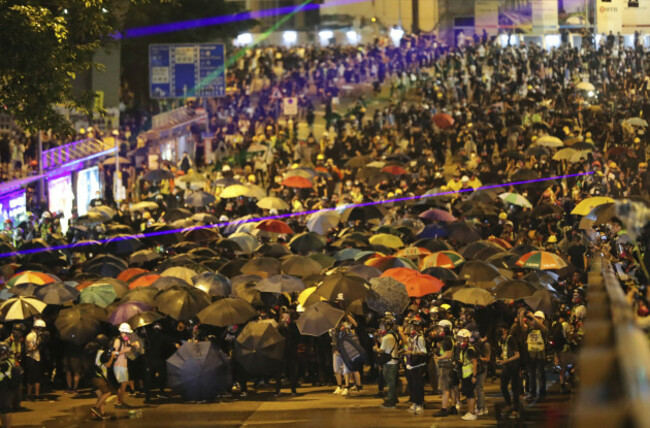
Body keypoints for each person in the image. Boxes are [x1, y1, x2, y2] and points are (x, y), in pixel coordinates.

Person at [402, 317, 427, 415]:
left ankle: (420, 404)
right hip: (410, 364)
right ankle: (414, 403)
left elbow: (424, 351)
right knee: (412, 385)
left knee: (418, 385)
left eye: (413, 327)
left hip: (418, 365)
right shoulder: (410, 338)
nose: (410, 328)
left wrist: (412, 352)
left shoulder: (420, 338)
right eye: (410, 326)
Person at [373, 315, 399, 408]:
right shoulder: (393, 334)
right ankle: (393, 398)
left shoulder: (387, 337)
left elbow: (382, 350)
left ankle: (391, 401)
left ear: (387, 326)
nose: (380, 327)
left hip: (389, 362)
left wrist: (376, 348)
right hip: (393, 361)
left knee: (390, 382)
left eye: (382, 325)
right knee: (391, 381)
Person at [497, 324, 521, 419]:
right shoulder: (501, 340)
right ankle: (509, 404)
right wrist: (501, 358)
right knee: (503, 387)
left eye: (502, 329)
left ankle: (516, 409)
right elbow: (505, 351)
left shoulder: (511, 339)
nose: (500, 331)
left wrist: (505, 361)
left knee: (515, 389)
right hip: (506, 366)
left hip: (514, 366)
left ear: (506, 330)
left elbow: (517, 355)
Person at [90, 334, 116, 420]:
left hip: (92, 376)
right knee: (107, 392)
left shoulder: (95, 351)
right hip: (99, 377)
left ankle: (101, 413)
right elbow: (107, 365)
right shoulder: (102, 353)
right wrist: (112, 357)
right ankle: (95, 408)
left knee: (100, 396)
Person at [113, 323, 137, 408]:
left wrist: (133, 345)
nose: (128, 335)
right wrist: (124, 351)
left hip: (124, 364)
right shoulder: (118, 341)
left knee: (124, 383)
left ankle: (119, 401)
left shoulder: (125, 340)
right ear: (122, 332)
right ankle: (119, 401)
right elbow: (114, 353)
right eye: (126, 333)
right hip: (119, 364)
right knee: (123, 383)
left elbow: (133, 347)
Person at [526, 310, 548, 401]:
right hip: (531, 355)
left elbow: (543, 328)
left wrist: (533, 316)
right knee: (531, 375)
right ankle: (532, 393)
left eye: (538, 318)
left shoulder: (544, 329)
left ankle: (542, 394)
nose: (535, 320)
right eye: (535, 318)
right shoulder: (530, 328)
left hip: (540, 355)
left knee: (540, 374)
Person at [457, 329, 478, 421]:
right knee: (468, 394)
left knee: (470, 394)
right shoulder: (464, 349)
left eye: (461, 338)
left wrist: (474, 375)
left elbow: (475, 362)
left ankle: (472, 412)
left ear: (466, 338)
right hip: (466, 374)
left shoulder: (469, 349)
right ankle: (471, 411)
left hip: (469, 374)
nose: (460, 340)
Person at [25, 319, 47, 400]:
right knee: (31, 377)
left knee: (38, 377)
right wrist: (39, 343)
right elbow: (31, 349)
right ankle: (29, 394)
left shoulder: (38, 336)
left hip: (37, 358)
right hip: (31, 358)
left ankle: (37, 394)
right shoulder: (30, 336)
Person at [474, 331, 490, 416]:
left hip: (483, 368)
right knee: (478, 388)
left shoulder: (486, 345)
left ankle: (481, 407)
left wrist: (479, 358)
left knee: (479, 388)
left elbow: (487, 359)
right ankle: (483, 407)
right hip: (479, 368)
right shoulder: (478, 345)